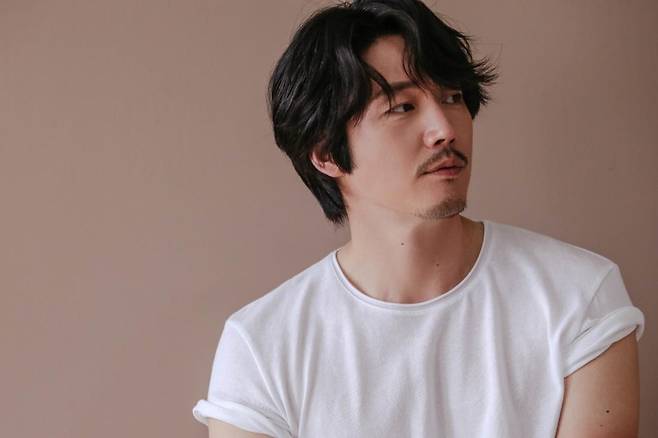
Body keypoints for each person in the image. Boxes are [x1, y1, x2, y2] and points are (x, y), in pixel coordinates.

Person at [192, 1, 645, 436]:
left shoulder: (578, 296)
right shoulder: (262, 346)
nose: (445, 129)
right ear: (327, 153)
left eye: (452, 97)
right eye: (403, 107)